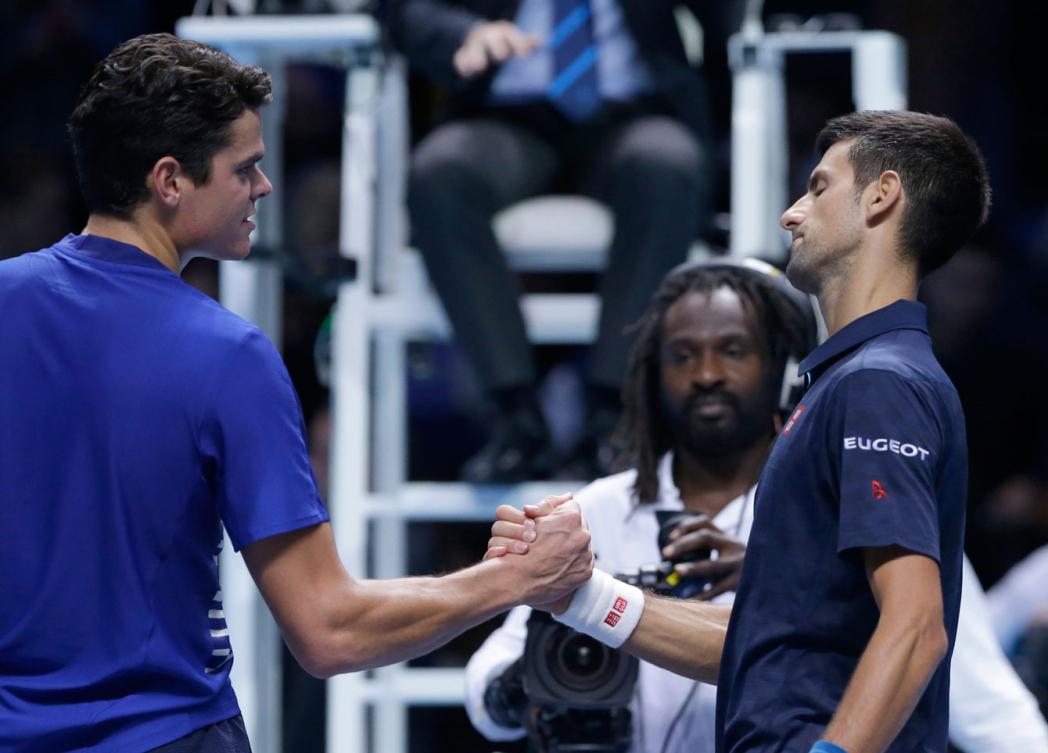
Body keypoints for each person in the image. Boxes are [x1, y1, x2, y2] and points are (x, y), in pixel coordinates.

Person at [0, 33, 592, 753]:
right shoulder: (228, 355)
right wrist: (514, 580)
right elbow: (330, 629)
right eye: (243, 167)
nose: (263, 187)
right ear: (169, 181)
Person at [488, 110, 994, 753]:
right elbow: (762, 651)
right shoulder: (853, 383)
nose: (791, 214)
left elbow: (917, 627)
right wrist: (579, 594)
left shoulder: (878, 383)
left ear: (881, 196)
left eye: (817, 187)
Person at [473, 259, 1047, 753]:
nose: (706, 375)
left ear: (780, 369)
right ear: (654, 376)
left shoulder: (860, 504)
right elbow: (491, 687)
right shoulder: (593, 511)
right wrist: (518, 688)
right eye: (682, 355)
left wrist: (786, 585)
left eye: (732, 351)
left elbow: (994, 717)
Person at [384, 0, 734, 481]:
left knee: (667, 164)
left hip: (632, 112)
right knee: (440, 174)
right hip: (506, 116)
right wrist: (463, 32)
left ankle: (615, 420)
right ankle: (515, 418)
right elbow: (404, 9)